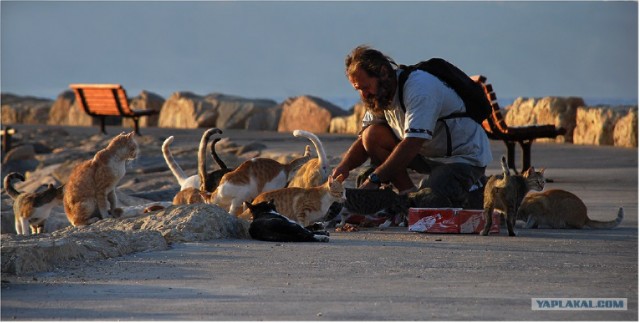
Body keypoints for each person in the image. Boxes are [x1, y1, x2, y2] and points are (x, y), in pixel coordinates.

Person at [331, 45, 492, 208]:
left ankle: (474, 187)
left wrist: (375, 179)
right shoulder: (380, 94)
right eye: (359, 89)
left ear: (383, 73)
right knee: (371, 135)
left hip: (462, 157)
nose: (364, 95)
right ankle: (406, 192)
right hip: (425, 156)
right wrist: (344, 167)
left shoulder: (420, 87)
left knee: (430, 198)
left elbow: (413, 141)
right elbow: (366, 139)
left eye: (366, 87)